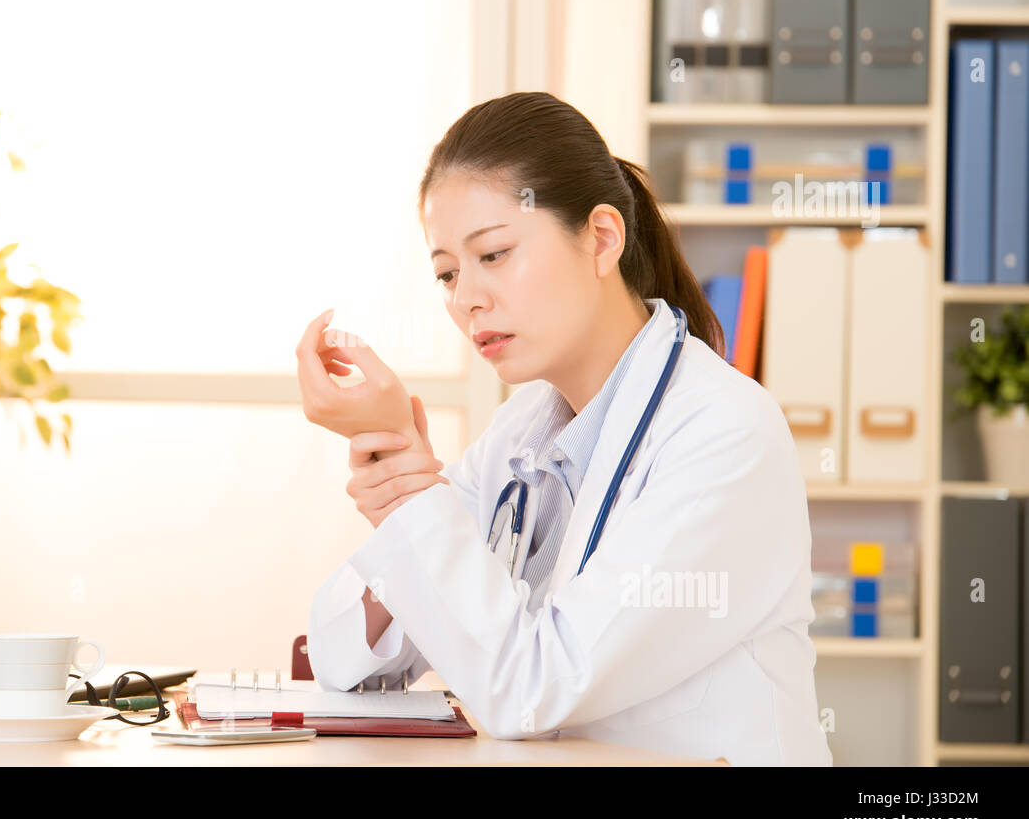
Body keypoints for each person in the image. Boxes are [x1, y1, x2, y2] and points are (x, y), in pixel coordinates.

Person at [294, 92, 832, 766]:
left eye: (493, 254)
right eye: (448, 272)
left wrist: (411, 492)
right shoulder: (522, 429)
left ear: (603, 238)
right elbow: (340, 654)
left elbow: (532, 687)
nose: (466, 298)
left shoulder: (725, 433)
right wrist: (398, 477)